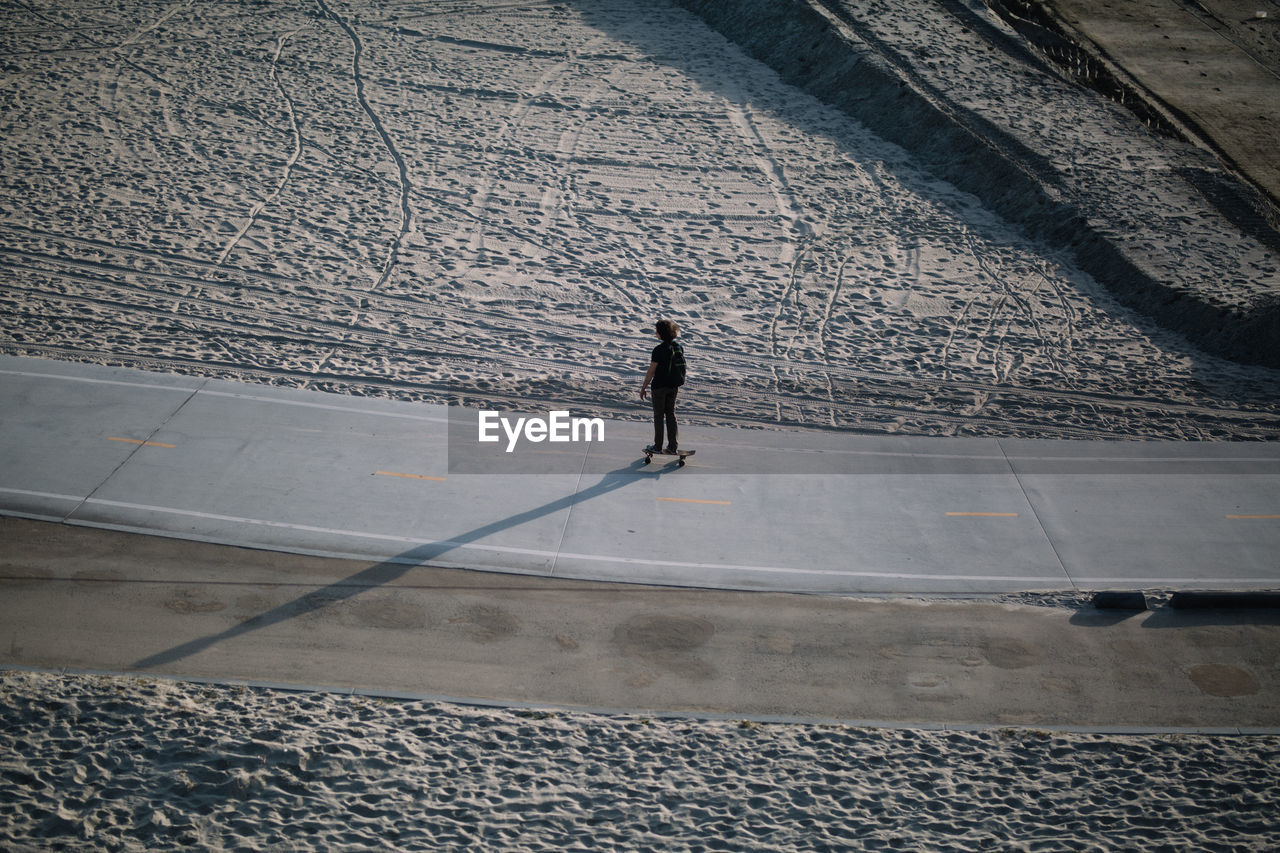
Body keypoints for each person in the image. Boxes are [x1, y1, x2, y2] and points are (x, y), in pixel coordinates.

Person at [639, 319, 686, 454]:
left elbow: (651, 371)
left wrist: (644, 386)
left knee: (659, 416)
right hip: (673, 386)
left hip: (659, 387)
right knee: (671, 414)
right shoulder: (678, 347)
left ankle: (657, 446)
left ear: (661, 333)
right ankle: (672, 446)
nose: (655, 333)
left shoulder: (658, 350)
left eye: (657, 331)